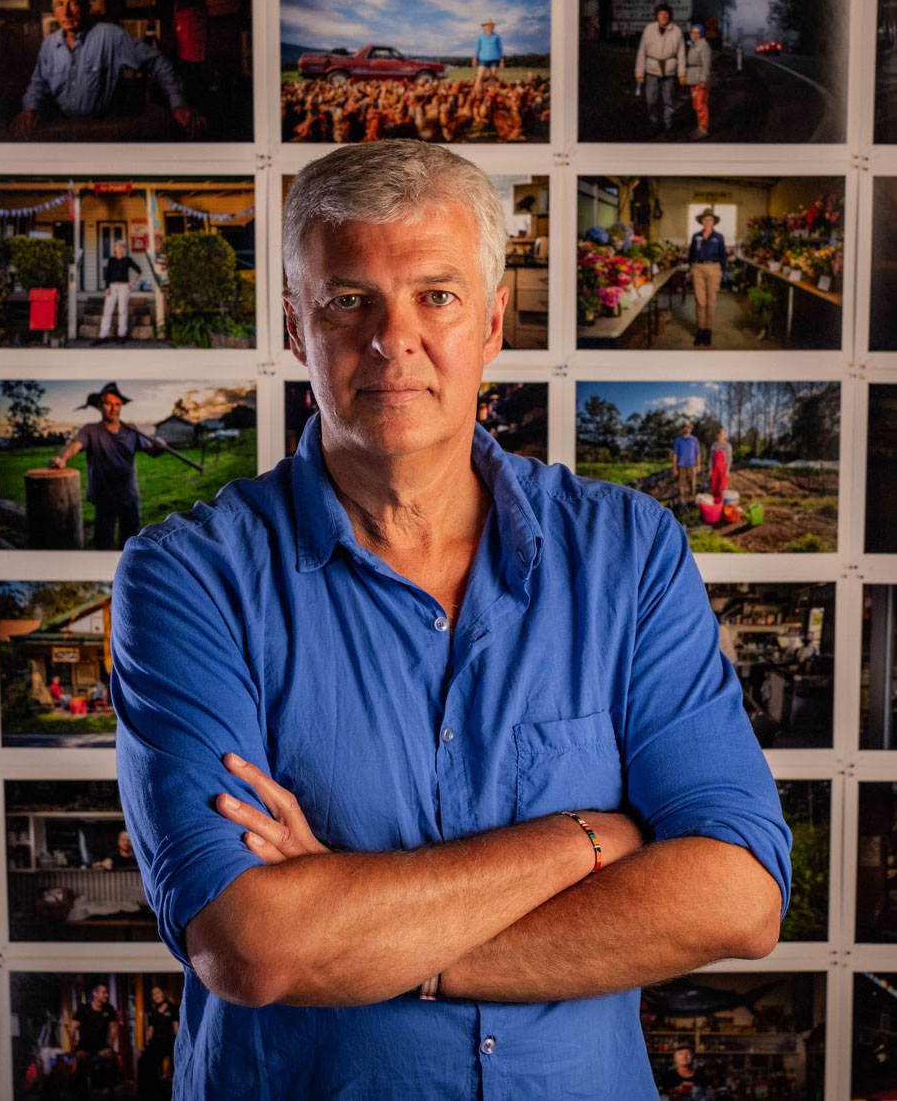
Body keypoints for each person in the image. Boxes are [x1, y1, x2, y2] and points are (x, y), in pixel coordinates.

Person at [111, 140, 790, 1100]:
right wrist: (585, 841)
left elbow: (737, 897)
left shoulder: (627, 554)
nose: (395, 338)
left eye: (437, 295)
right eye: (350, 299)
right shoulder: (189, 580)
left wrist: (384, 947)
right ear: (297, 328)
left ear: (492, 323)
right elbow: (255, 947)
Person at [9, 0, 205, 140]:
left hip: (104, 132)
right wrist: (30, 107)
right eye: (60, 4)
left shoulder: (111, 36)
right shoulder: (49, 45)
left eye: (73, 3)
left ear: (85, 8)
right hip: (63, 132)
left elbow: (157, 61)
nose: (66, 12)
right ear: (54, 10)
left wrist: (178, 104)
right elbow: (38, 83)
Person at [48, 381, 165, 551]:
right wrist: (61, 459)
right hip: (104, 500)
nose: (113, 408)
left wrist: (159, 446)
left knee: (131, 545)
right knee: (103, 544)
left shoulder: (131, 430)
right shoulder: (91, 431)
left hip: (129, 497)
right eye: (108, 403)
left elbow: (152, 451)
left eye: (117, 404)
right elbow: (74, 445)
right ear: (100, 406)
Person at [635, 3, 686, 135]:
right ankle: (654, 123)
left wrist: (681, 74)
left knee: (668, 100)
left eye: (666, 14)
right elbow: (642, 52)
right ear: (657, 16)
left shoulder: (677, 31)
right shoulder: (649, 29)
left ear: (669, 16)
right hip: (652, 69)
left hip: (669, 70)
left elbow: (681, 54)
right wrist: (639, 72)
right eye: (661, 14)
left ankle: (668, 126)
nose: (663, 16)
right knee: (650, 100)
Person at [69, 983, 118, 1100]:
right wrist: (73, 1047)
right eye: (103, 992)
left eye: (107, 992)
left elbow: (113, 1030)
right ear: (95, 994)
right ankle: (82, 1092)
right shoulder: (83, 1009)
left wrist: (110, 1047)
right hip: (84, 1047)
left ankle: (111, 1090)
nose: (106, 995)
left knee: (113, 1058)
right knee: (80, 1058)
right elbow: (71, 1028)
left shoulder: (109, 1009)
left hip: (102, 1047)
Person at [689, 207, 727, 346]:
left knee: (711, 302)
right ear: (701, 221)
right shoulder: (695, 236)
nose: (707, 221)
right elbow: (691, 253)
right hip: (698, 268)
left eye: (710, 219)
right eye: (705, 219)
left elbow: (723, 255)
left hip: (714, 268)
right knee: (700, 301)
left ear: (713, 221)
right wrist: (692, 267)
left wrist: (720, 270)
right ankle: (700, 330)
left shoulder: (719, 237)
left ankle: (708, 331)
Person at [136, 984, 179, 1100]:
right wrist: (146, 1045)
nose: (156, 996)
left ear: (163, 993)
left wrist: (178, 1047)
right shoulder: (153, 1011)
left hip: (167, 1042)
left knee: (149, 1061)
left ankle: (154, 1091)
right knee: (142, 1061)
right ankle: (148, 1091)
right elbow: (150, 1029)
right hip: (155, 1042)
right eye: (153, 994)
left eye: (158, 993)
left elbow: (177, 1029)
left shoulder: (173, 1008)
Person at [94, 242, 141, 345]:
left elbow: (138, 270)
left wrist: (132, 282)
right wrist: (107, 287)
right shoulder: (111, 260)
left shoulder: (127, 260)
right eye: (117, 246)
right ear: (115, 249)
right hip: (112, 287)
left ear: (123, 249)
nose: (119, 248)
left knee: (122, 311)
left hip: (124, 287)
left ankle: (121, 335)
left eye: (121, 246)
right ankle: (103, 336)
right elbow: (108, 274)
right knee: (107, 311)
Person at [685, 23, 712, 139]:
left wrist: (703, 79)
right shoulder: (693, 45)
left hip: (700, 79)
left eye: (697, 33)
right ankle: (700, 126)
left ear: (701, 34)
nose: (694, 35)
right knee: (696, 104)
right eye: (693, 32)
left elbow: (706, 63)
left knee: (701, 103)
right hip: (693, 77)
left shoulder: (703, 45)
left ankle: (703, 128)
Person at [472, 18, 504, 98]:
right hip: (484, 59)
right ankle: (477, 94)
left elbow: (500, 48)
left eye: (490, 25)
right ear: (484, 27)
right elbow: (478, 48)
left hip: (495, 59)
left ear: (492, 26)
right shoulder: (481, 37)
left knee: (492, 76)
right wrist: (475, 58)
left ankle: (490, 94)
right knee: (480, 77)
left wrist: (501, 60)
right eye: (487, 25)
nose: (488, 27)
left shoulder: (496, 36)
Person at [672, 420, 702, 505]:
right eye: (685, 427)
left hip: (692, 465)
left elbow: (698, 453)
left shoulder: (694, 440)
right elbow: (675, 454)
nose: (686, 429)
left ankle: (692, 498)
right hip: (681, 465)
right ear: (683, 429)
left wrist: (698, 465)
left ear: (690, 429)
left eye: (688, 427)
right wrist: (674, 467)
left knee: (692, 482)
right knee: (681, 483)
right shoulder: (678, 440)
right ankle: (681, 499)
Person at [709, 428, 732, 500]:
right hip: (715, 469)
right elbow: (711, 458)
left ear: (724, 435)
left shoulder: (727, 445)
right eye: (719, 434)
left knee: (723, 486)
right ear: (717, 436)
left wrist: (727, 470)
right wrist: (710, 469)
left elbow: (729, 458)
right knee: (714, 486)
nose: (720, 436)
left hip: (723, 469)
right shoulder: (714, 445)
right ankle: (716, 502)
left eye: (722, 434)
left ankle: (723, 503)